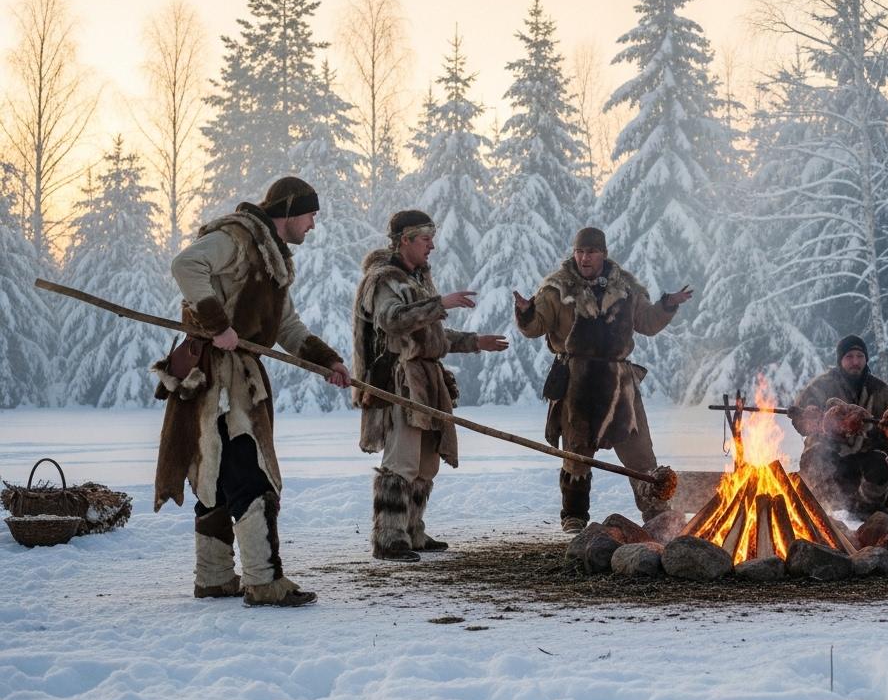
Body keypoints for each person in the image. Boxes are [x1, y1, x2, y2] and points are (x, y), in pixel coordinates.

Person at [152, 176, 350, 607]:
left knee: (219, 477)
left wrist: (328, 362)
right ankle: (263, 580)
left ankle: (215, 577)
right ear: (290, 210)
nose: (314, 225)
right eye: (311, 215)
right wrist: (218, 326)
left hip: (236, 378)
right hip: (217, 383)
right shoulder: (238, 237)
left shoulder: (273, 259)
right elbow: (186, 266)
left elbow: (286, 328)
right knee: (249, 473)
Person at [512, 227, 692, 533]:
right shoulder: (557, 289)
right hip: (576, 382)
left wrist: (666, 305)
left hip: (618, 382)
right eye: (580, 252)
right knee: (576, 453)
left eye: (591, 252)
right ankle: (574, 515)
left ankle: (656, 512)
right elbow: (536, 327)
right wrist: (526, 313)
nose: (585, 257)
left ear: (603, 254)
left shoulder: (626, 288)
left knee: (639, 453)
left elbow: (646, 323)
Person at [354, 209, 509, 562]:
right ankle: (389, 537)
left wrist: (473, 342)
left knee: (426, 464)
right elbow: (392, 321)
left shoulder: (417, 279)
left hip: (425, 381)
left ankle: (412, 531)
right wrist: (439, 303)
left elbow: (430, 336)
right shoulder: (383, 280)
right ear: (405, 240)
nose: (432, 247)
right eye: (425, 239)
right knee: (402, 460)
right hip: (399, 382)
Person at [788, 335, 888, 516]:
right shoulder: (819, 387)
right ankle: (819, 509)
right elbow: (801, 421)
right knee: (815, 458)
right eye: (849, 357)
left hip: (867, 458)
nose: (855, 361)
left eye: (859, 356)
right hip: (830, 456)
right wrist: (811, 419)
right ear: (840, 360)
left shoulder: (882, 392)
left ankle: (866, 511)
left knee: (880, 466)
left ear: (866, 359)